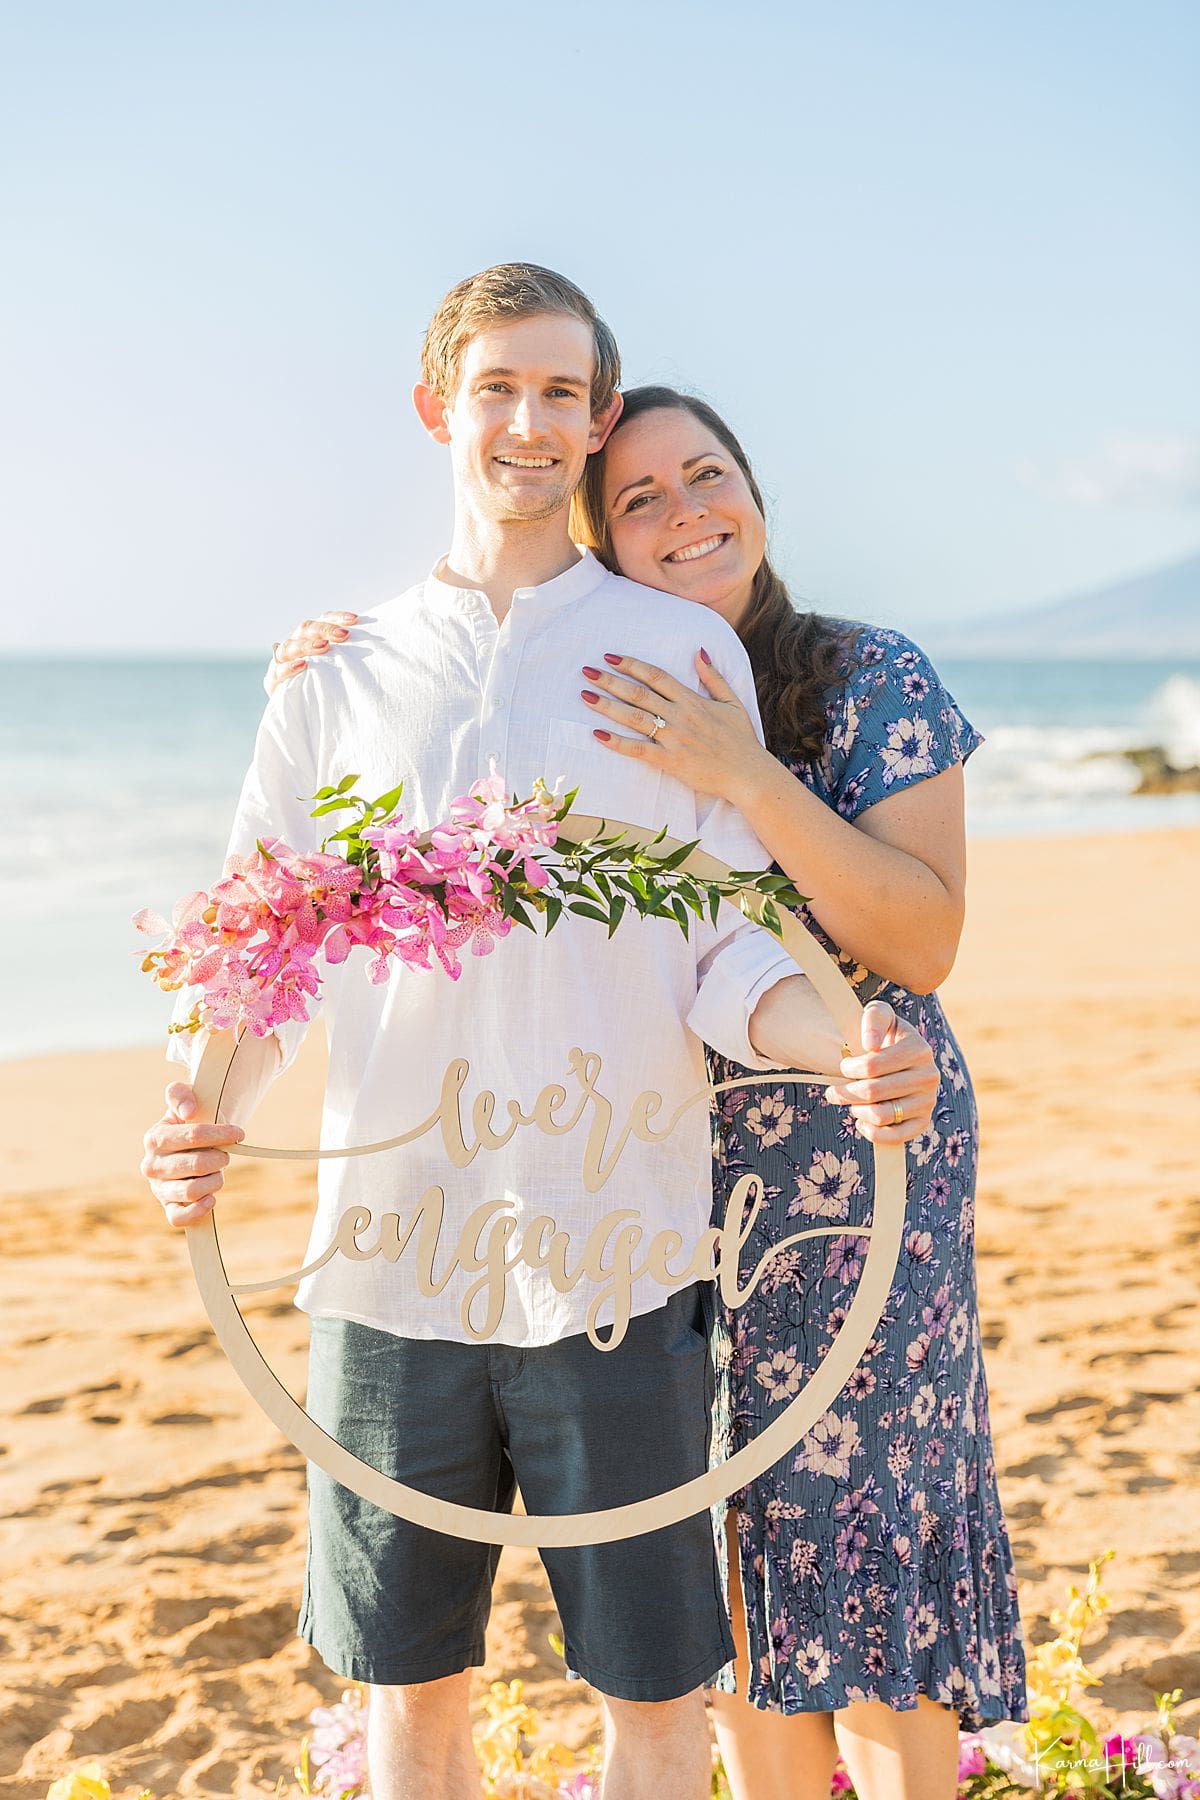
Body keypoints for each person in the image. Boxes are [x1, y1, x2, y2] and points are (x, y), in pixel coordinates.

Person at [140, 266, 940, 1800]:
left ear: (595, 423)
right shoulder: (343, 672)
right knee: (411, 1701)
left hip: (619, 1265)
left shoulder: (676, 654)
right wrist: (202, 1101)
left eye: (563, 392)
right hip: (388, 1270)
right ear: (439, 406)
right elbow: (263, 950)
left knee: (653, 1699)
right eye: (499, 387)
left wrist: (835, 1040)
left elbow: (723, 950)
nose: (529, 421)